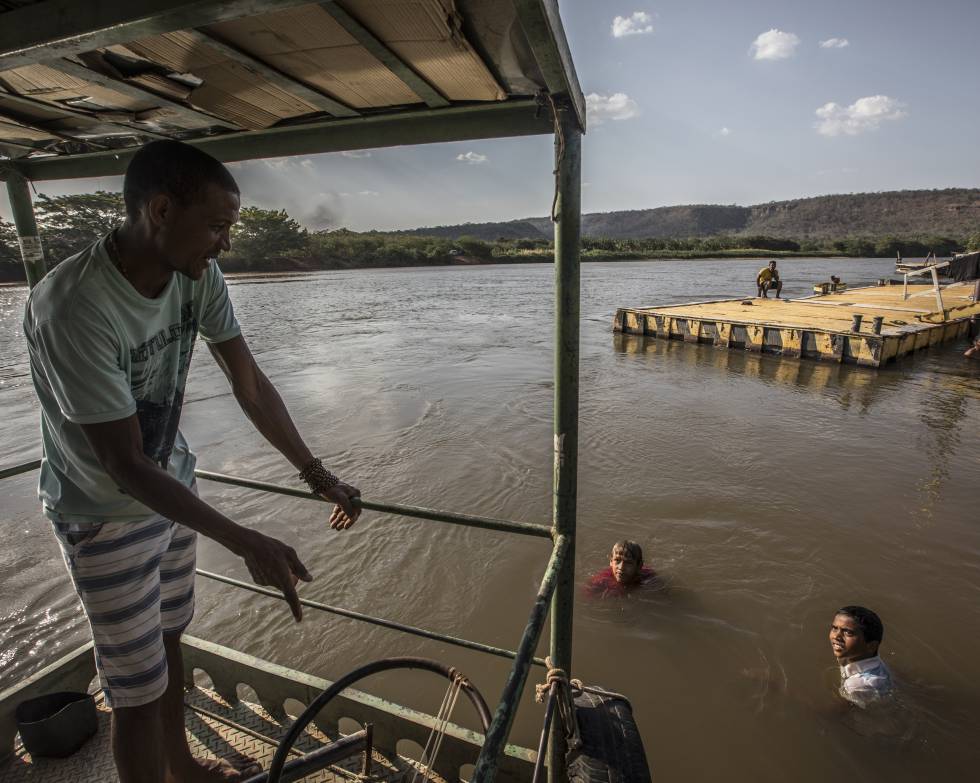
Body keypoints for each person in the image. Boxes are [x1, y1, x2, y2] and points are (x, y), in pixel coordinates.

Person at [23, 140, 361, 783]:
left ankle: (182, 770)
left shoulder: (197, 276)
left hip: (174, 488)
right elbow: (123, 465)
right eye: (215, 226)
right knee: (136, 692)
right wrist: (244, 540)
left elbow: (251, 384)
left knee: (171, 644)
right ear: (159, 210)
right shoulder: (73, 306)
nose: (224, 244)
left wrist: (319, 476)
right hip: (103, 514)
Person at [829, 606, 893, 708]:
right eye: (834, 628)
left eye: (848, 632)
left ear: (871, 646)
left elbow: (844, 712)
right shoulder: (868, 658)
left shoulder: (856, 686)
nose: (836, 636)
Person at [585, 540, 655, 597]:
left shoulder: (648, 577)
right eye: (617, 560)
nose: (621, 567)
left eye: (628, 562)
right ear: (611, 561)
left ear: (639, 566)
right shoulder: (601, 580)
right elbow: (586, 596)